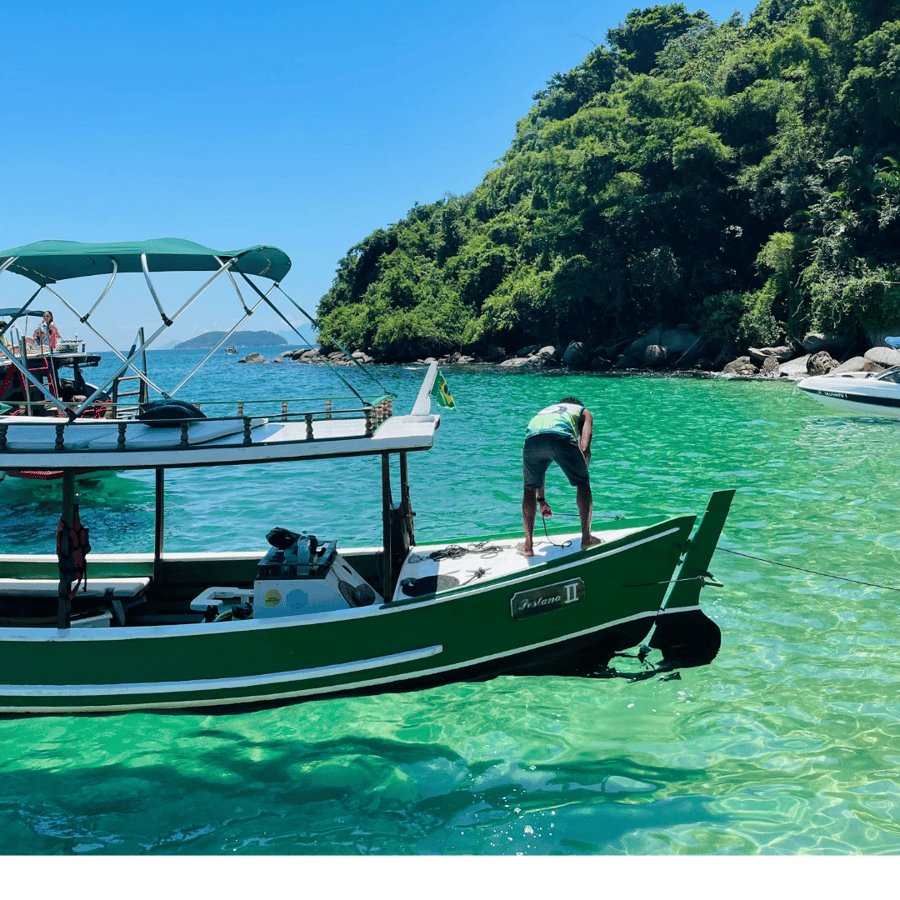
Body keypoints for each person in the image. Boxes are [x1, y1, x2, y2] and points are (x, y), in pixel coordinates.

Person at [521, 396, 602, 557]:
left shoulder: (547, 411)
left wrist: (541, 500)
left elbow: (541, 467)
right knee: (583, 484)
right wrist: (581, 473)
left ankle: (528, 546)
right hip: (560, 436)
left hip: (531, 440)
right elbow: (585, 446)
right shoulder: (583, 411)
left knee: (529, 488)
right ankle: (586, 538)